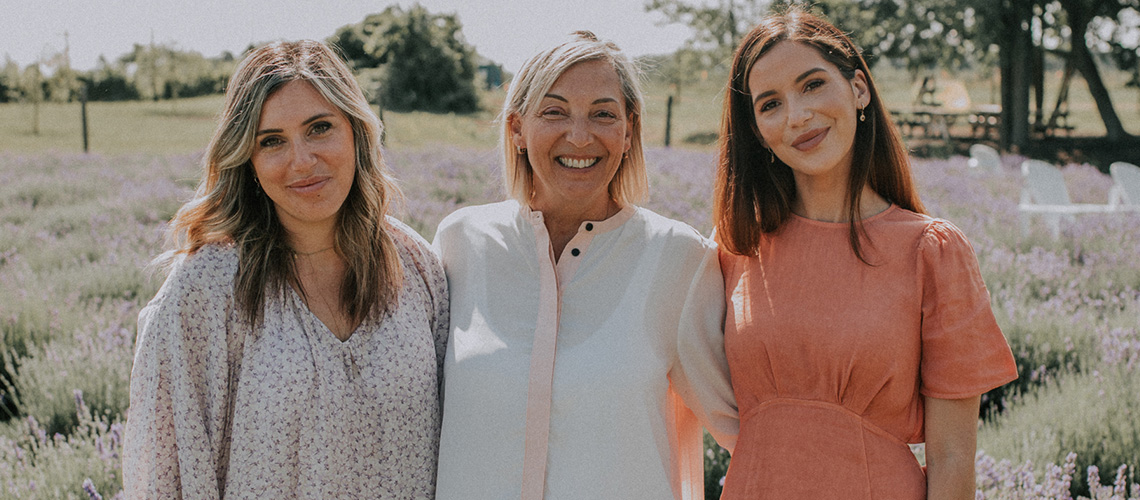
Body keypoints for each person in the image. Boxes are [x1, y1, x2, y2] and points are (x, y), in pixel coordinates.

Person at [122, 40, 448, 499]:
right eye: (271, 141)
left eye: (320, 128)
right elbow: (162, 478)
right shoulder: (208, 288)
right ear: (248, 160)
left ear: (355, 131)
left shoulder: (414, 264)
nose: (301, 161)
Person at [713, 9, 1018, 500]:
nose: (797, 115)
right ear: (756, 130)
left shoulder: (931, 251)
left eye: (812, 85)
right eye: (770, 104)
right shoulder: (736, 247)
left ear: (858, 89)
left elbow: (952, 458)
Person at [432, 31, 738, 500]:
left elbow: (745, 428)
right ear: (517, 127)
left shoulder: (678, 258)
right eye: (554, 112)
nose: (580, 136)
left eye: (603, 114)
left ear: (629, 130)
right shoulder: (460, 244)